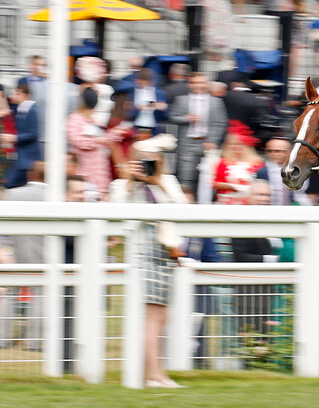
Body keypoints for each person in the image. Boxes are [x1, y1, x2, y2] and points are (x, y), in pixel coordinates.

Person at [109, 135, 187, 388]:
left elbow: (183, 209)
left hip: (164, 250)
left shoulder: (167, 181)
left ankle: (150, 373)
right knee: (152, 316)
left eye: (152, 160)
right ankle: (155, 375)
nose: (147, 164)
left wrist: (157, 183)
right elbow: (118, 217)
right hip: (141, 251)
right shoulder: (122, 185)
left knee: (162, 315)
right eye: (142, 160)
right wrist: (131, 183)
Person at [2, 162, 47, 351]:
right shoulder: (56, 196)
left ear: (31, 175)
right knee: (40, 294)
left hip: (17, 251)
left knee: (10, 295)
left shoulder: (12, 194)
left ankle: (2, 338)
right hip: (43, 254)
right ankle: (32, 341)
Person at [169, 72, 228, 196]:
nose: (198, 85)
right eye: (195, 82)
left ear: (206, 84)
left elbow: (221, 122)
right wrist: (186, 118)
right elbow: (172, 117)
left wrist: (212, 140)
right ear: (189, 84)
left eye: (201, 82)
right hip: (187, 143)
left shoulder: (216, 102)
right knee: (185, 176)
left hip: (207, 144)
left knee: (209, 176)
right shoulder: (181, 100)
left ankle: (206, 204)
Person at [67, 87, 121, 198]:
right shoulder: (75, 119)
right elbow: (78, 140)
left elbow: (105, 139)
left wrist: (115, 133)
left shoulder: (95, 120)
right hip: (84, 168)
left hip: (100, 168)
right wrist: (98, 141)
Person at [213, 122, 264, 204]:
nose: (236, 147)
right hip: (226, 202)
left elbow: (262, 184)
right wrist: (232, 186)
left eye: (239, 144)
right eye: (232, 144)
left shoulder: (257, 163)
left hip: (249, 203)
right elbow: (213, 183)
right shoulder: (222, 163)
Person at [3, 83, 41, 189]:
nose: (14, 96)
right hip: (22, 157)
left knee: (10, 184)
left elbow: (33, 133)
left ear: (26, 95)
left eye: (17, 93)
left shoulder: (32, 110)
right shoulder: (22, 110)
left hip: (27, 158)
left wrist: (14, 138)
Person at [257, 137, 311, 205]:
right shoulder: (262, 172)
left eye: (278, 151)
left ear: (289, 152)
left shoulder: (298, 170)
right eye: (269, 151)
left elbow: (303, 193)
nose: (274, 154)